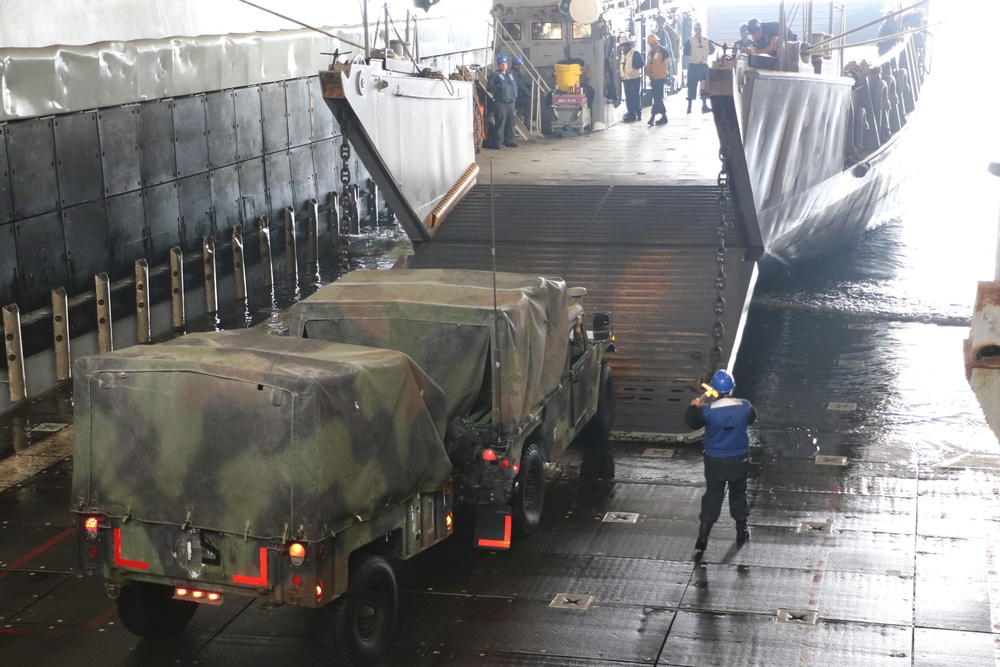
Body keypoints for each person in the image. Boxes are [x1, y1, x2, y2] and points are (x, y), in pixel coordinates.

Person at [684, 369, 757, 552]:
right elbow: (751, 419)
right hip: (739, 458)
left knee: (713, 495)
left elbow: (691, 422)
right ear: (732, 388)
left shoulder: (708, 411)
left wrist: (694, 406)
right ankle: (741, 530)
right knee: (738, 492)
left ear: (714, 390)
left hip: (715, 460)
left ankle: (703, 535)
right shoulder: (745, 406)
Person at [486, 53, 519, 149]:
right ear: (498, 65)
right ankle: (498, 142)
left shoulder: (510, 74)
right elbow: (489, 87)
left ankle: (510, 140)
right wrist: (498, 88)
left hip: (511, 102)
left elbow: (515, 85)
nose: (503, 65)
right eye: (501, 64)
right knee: (500, 123)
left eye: (505, 63)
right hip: (501, 103)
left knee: (511, 122)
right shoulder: (495, 75)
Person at [682, 21, 714, 114]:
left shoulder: (706, 40)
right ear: (694, 30)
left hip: (703, 65)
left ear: (701, 30)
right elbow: (685, 51)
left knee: (704, 86)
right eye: (697, 29)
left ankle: (704, 105)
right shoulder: (690, 40)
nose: (698, 31)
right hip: (693, 65)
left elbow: (712, 50)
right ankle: (689, 106)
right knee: (691, 86)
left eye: (699, 29)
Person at [645, 34, 669, 126]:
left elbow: (665, 65)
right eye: (650, 44)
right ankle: (664, 116)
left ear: (656, 42)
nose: (651, 45)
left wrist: (661, 75)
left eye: (652, 43)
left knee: (657, 98)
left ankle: (652, 117)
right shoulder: (650, 53)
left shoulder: (663, 52)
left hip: (660, 78)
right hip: (653, 78)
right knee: (657, 98)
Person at [618, 35, 644, 122]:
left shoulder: (635, 53)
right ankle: (631, 113)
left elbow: (641, 63)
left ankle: (638, 112)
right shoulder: (623, 55)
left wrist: (634, 67)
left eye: (622, 46)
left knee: (635, 96)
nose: (621, 48)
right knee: (628, 97)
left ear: (626, 46)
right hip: (626, 80)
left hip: (634, 79)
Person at [511, 55, 532, 122]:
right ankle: (527, 121)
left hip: (516, 95)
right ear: (514, 64)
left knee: (525, 96)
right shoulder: (513, 73)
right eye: (518, 64)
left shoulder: (517, 72)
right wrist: (530, 95)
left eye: (521, 64)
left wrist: (530, 85)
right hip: (513, 98)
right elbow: (521, 86)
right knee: (527, 100)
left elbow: (523, 82)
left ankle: (520, 114)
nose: (520, 66)